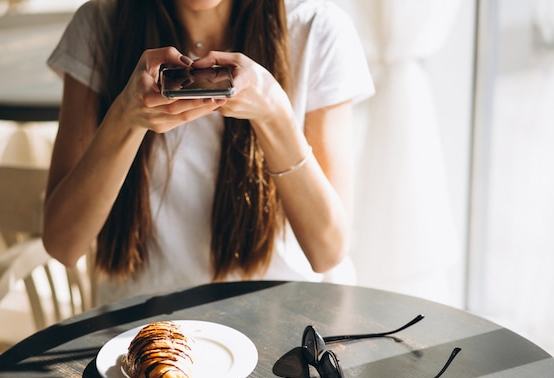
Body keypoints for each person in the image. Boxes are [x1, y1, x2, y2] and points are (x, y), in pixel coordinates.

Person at [43, 0, 374, 306]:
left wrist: (274, 114)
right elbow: (62, 243)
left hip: (283, 319)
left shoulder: (316, 29)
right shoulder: (100, 25)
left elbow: (328, 252)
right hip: (143, 324)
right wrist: (124, 120)